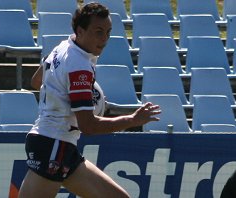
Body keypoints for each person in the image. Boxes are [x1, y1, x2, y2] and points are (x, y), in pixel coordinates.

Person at [18, 2, 161, 198]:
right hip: (54, 145)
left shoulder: (63, 46)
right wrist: (132, 120)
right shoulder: (80, 66)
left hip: (57, 144)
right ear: (80, 30)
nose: (104, 39)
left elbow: (36, 81)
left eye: (108, 32)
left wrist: (64, 98)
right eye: (98, 31)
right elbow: (89, 126)